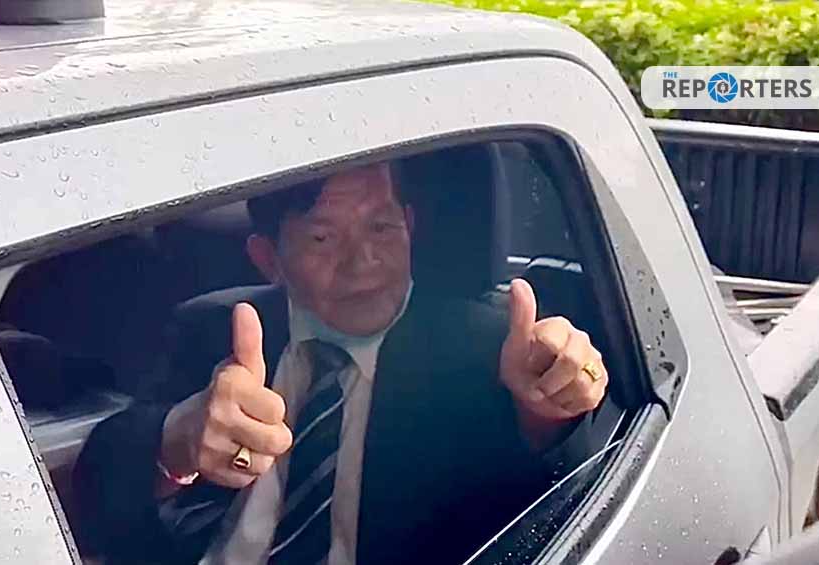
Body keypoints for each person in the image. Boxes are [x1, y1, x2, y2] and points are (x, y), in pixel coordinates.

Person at [74, 159, 608, 565]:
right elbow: (97, 502)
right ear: (268, 258)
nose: (363, 262)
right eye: (323, 238)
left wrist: (548, 412)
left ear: (410, 226)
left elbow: (555, 514)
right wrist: (176, 442)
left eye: (382, 228)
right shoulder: (217, 327)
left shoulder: (488, 347)